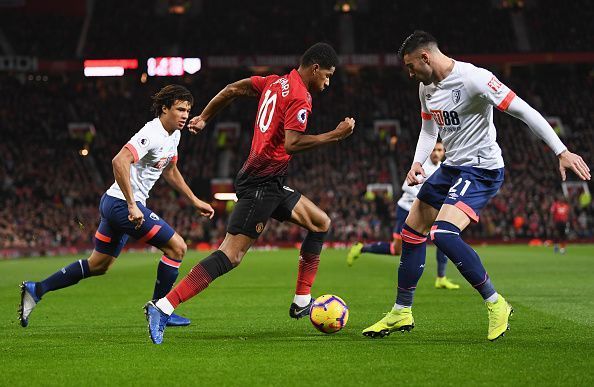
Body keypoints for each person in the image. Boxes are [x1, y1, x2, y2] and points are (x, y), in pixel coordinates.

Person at [363, 31, 590, 341]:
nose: (410, 72)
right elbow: (429, 131)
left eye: (411, 65)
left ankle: (497, 304)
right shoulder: (425, 88)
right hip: (451, 167)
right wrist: (418, 162)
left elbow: (524, 110)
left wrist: (561, 151)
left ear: (425, 57)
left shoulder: (475, 79)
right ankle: (402, 311)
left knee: (442, 234)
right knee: (411, 231)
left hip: (481, 169)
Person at [144, 42, 355, 344]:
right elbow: (292, 144)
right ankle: (163, 307)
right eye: (328, 75)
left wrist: (205, 117)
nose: (328, 82)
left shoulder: (273, 82)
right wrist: (334, 135)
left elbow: (231, 89)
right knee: (231, 255)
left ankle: (301, 300)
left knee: (320, 222)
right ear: (315, 68)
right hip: (260, 184)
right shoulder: (300, 96)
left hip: (270, 181)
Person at [19, 85, 214, 328]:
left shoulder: (174, 134)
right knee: (177, 248)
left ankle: (37, 289)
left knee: (98, 265)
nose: (185, 115)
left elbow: (170, 170)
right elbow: (119, 160)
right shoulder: (152, 133)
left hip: (114, 204)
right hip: (122, 205)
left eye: (188, 110)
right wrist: (133, 204)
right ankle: (160, 307)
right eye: (180, 109)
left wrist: (194, 200)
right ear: (164, 109)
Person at [347, 141, 459, 290]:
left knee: (441, 236)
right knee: (396, 250)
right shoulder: (422, 166)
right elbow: (406, 186)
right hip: (407, 209)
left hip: (429, 209)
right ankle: (361, 248)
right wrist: (427, 195)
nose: (436, 153)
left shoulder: (442, 169)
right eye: (433, 150)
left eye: (439, 150)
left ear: (444, 152)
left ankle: (441, 277)